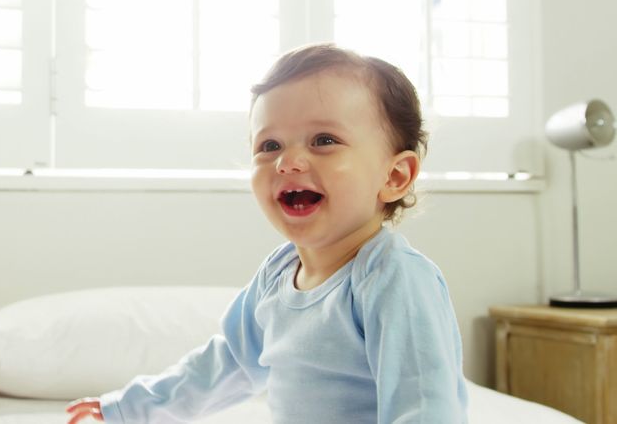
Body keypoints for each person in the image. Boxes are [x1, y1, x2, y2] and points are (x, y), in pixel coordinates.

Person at [66, 43, 468, 423]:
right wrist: (129, 407)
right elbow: (227, 365)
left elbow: (423, 405)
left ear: (395, 176)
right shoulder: (277, 275)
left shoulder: (393, 277)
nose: (288, 162)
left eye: (324, 140)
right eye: (269, 144)